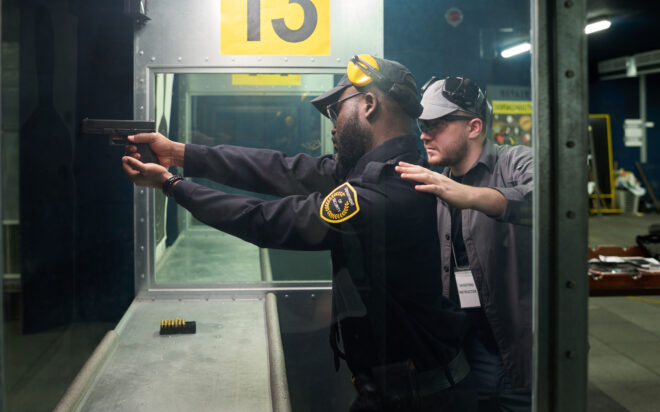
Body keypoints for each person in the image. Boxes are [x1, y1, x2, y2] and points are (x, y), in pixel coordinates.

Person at [122, 56, 477, 411]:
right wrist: (180, 153)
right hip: (402, 391)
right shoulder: (374, 173)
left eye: (335, 110)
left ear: (368, 105)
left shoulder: (387, 191)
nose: (334, 126)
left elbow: (266, 221)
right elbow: (278, 169)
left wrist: (171, 185)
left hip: (422, 399)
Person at [396, 76, 533, 411]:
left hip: (517, 352)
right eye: (421, 124)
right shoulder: (436, 181)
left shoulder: (515, 162)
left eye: (436, 124)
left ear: (474, 127)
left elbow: (550, 198)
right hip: (461, 350)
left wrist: (471, 196)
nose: (424, 134)